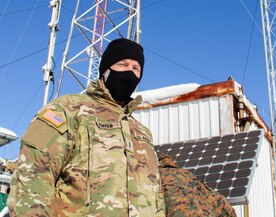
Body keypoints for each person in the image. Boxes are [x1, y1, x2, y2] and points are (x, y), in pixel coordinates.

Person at [8, 38, 166, 217]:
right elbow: (32, 173)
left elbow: (156, 196)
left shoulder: (142, 132)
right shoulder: (65, 109)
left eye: (136, 68)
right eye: (123, 64)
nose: (130, 72)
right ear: (105, 71)